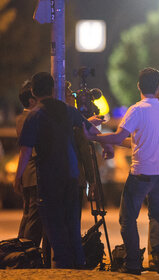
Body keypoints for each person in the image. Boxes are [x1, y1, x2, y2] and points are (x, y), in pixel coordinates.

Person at [84, 68, 159, 275]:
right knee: (158, 215)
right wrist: (107, 140)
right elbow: (135, 142)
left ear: (138, 86)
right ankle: (158, 258)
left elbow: (116, 137)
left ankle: (132, 263)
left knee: (127, 219)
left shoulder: (137, 109)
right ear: (158, 87)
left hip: (142, 173)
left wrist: (94, 137)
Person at [14, 72, 102, 269]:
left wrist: (18, 177)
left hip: (49, 176)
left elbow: (26, 151)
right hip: (71, 174)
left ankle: (62, 264)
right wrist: (108, 145)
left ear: (34, 92)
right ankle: (78, 263)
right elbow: (89, 130)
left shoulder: (34, 115)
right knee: (72, 222)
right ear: (53, 89)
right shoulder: (68, 110)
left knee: (53, 223)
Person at [16, 81, 44, 247]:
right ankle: (26, 252)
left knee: (28, 214)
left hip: (27, 174)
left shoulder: (21, 118)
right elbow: (29, 150)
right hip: (34, 174)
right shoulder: (31, 118)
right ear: (32, 101)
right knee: (34, 217)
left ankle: (20, 249)